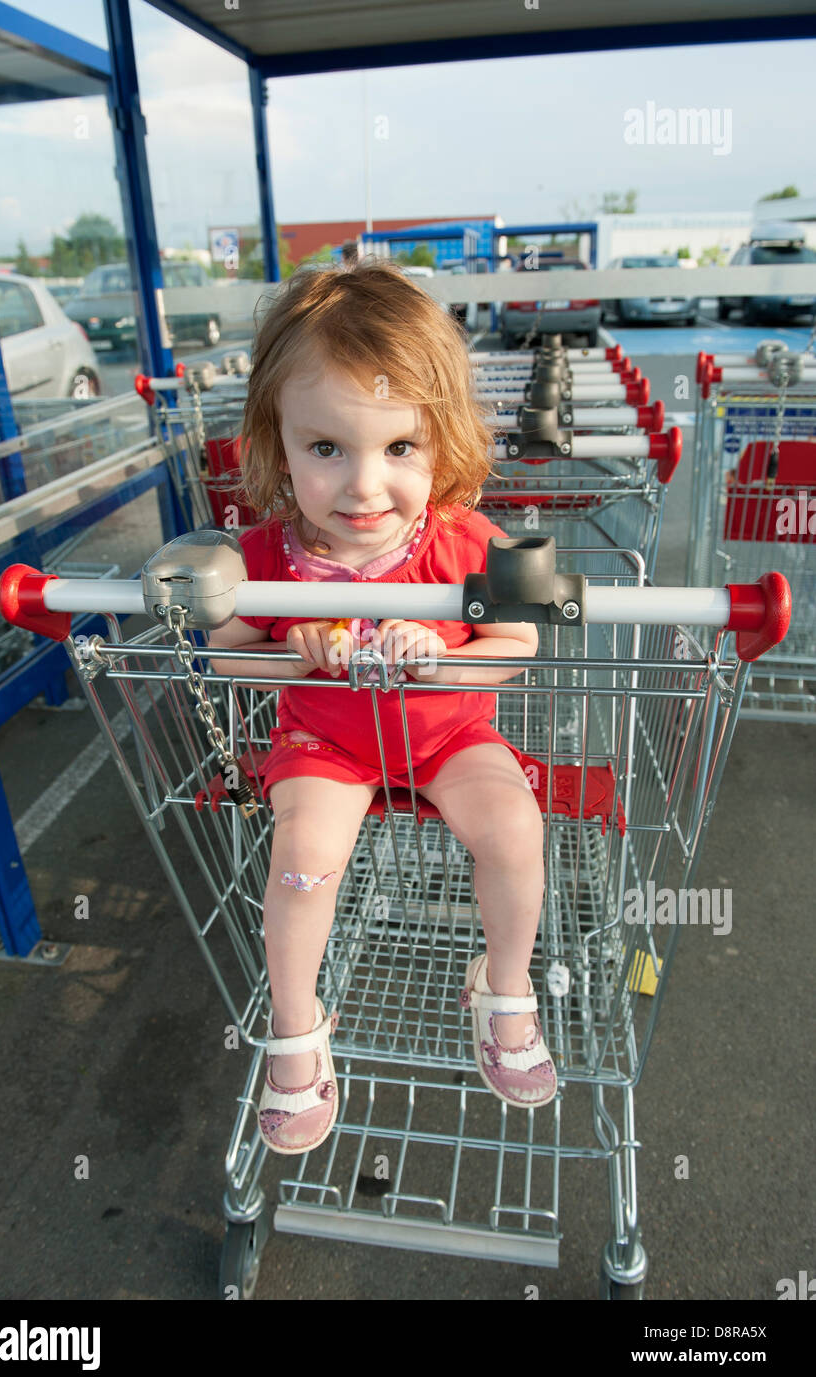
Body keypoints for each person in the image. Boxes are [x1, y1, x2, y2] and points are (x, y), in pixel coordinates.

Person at [207, 260, 556, 1156]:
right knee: (303, 860)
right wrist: (292, 648)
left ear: (441, 441)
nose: (364, 487)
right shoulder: (267, 560)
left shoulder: (464, 541)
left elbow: (518, 642)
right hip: (325, 741)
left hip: (449, 733)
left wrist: (444, 658)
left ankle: (504, 988)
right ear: (275, 442)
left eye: (398, 448)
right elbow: (222, 654)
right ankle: (295, 1028)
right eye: (326, 448)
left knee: (514, 829)